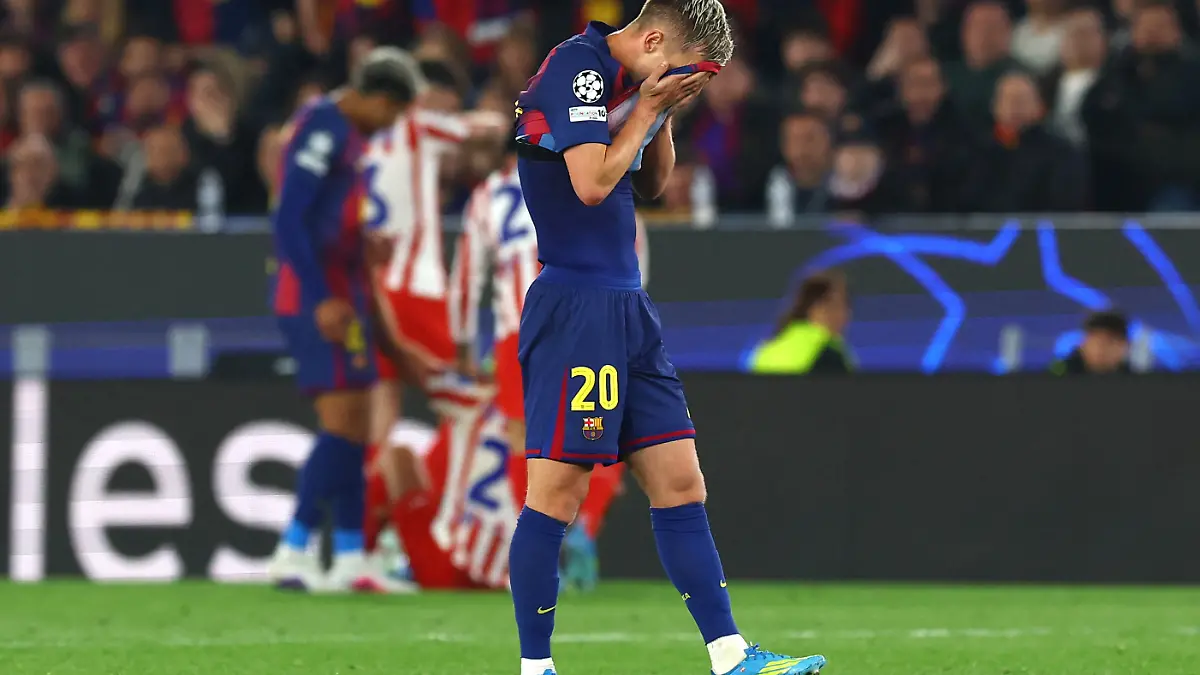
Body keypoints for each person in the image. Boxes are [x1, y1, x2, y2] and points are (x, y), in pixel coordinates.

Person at [510, 2, 826, 675]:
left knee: (681, 481)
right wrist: (647, 107)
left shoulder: (632, 87)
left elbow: (652, 184)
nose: (688, 88)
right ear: (653, 40)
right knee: (557, 495)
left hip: (628, 307)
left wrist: (662, 110)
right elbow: (593, 185)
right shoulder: (579, 71)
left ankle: (730, 655)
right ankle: (535, 668)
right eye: (686, 76)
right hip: (576, 306)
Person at [448, 136, 643, 592]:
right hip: (590, 320)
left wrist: (462, 344)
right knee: (596, 431)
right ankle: (584, 533)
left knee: (526, 441)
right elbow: (633, 256)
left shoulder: (490, 195)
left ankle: (542, 552)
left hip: (519, 325)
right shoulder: (599, 175)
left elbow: (467, 276)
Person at [264, 47, 419, 594]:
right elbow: (290, 218)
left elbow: (329, 220)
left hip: (344, 291)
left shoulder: (348, 138)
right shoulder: (323, 127)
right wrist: (320, 295)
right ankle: (293, 547)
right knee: (340, 423)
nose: (390, 127)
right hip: (315, 296)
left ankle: (351, 554)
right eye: (393, 115)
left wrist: (360, 244)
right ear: (378, 99)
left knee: (354, 425)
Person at [748, 271, 854, 374]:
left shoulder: (765, 351)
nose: (845, 314)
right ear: (814, 308)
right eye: (837, 305)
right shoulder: (829, 354)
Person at [1051, 311, 1132, 375]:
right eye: (1095, 342)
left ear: (1124, 346)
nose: (1101, 350)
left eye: (1109, 343)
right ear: (1083, 344)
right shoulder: (1059, 372)